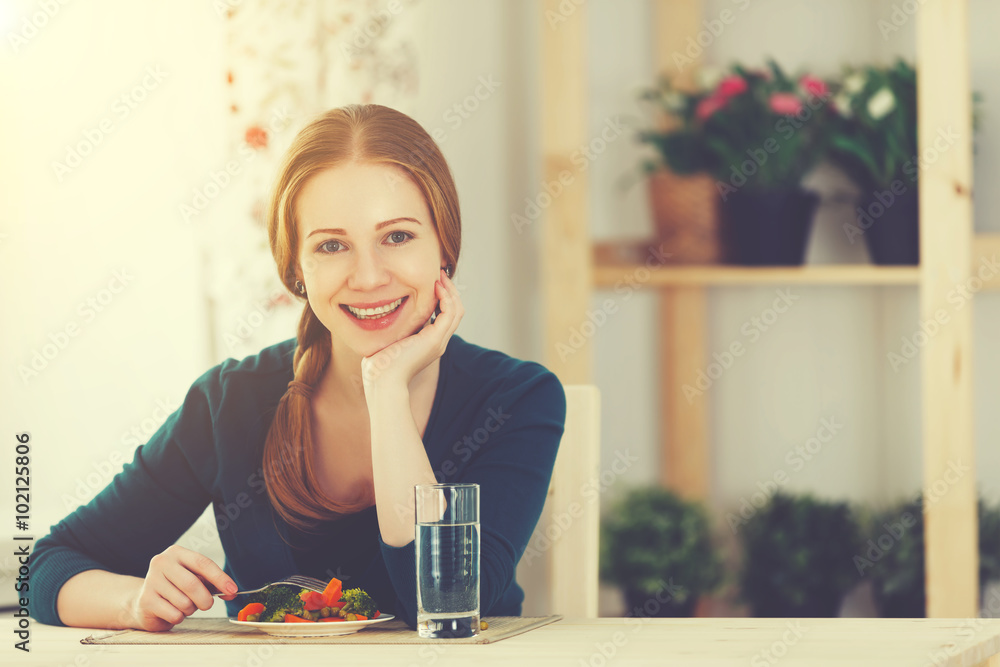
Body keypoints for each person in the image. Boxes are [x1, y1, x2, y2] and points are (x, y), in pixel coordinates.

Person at [29, 104, 567, 631]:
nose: (368, 275)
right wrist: (133, 602)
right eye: (332, 245)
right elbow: (48, 567)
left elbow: (446, 603)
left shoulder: (518, 399)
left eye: (397, 237)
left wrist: (386, 391)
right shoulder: (229, 403)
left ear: (444, 248)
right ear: (297, 270)